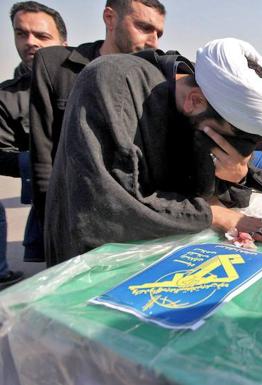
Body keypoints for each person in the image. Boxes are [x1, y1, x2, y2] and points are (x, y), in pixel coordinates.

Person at [45, 38, 262, 266]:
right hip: (91, 265)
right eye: (234, 140)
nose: (233, 150)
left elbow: (227, 196)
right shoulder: (112, 84)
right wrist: (212, 214)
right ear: (195, 101)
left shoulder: (207, 113)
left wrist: (237, 177)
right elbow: (107, 206)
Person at [29, 0, 166, 256]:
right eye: (144, 27)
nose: (153, 41)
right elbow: (44, 157)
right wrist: (53, 230)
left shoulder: (155, 75)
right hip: (74, 223)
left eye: (158, 33)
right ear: (110, 18)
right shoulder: (57, 67)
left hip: (131, 223)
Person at [0, 1, 66, 288]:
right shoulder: (7, 97)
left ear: (63, 41)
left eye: (42, 36)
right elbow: (2, 155)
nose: (30, 42)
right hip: (50, 206)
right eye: (21, 34)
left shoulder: (87, 78)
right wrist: (42, 161)